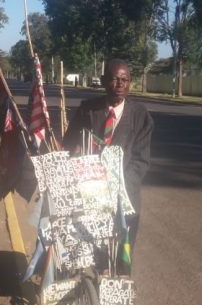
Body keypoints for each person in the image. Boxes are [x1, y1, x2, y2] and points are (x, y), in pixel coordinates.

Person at [62, 58, 154, 259]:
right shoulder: (88, 109)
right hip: (90, 196)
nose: (120, 84)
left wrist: (116, 187)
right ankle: (90, 286)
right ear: (104, 81)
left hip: (125, 198)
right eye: (114, 79)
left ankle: (117, 284)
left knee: (122, 256)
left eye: (125, 80)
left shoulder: (141, 116)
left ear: (130, 83)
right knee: (92, 252)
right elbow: (68, 145)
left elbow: (141, 160)